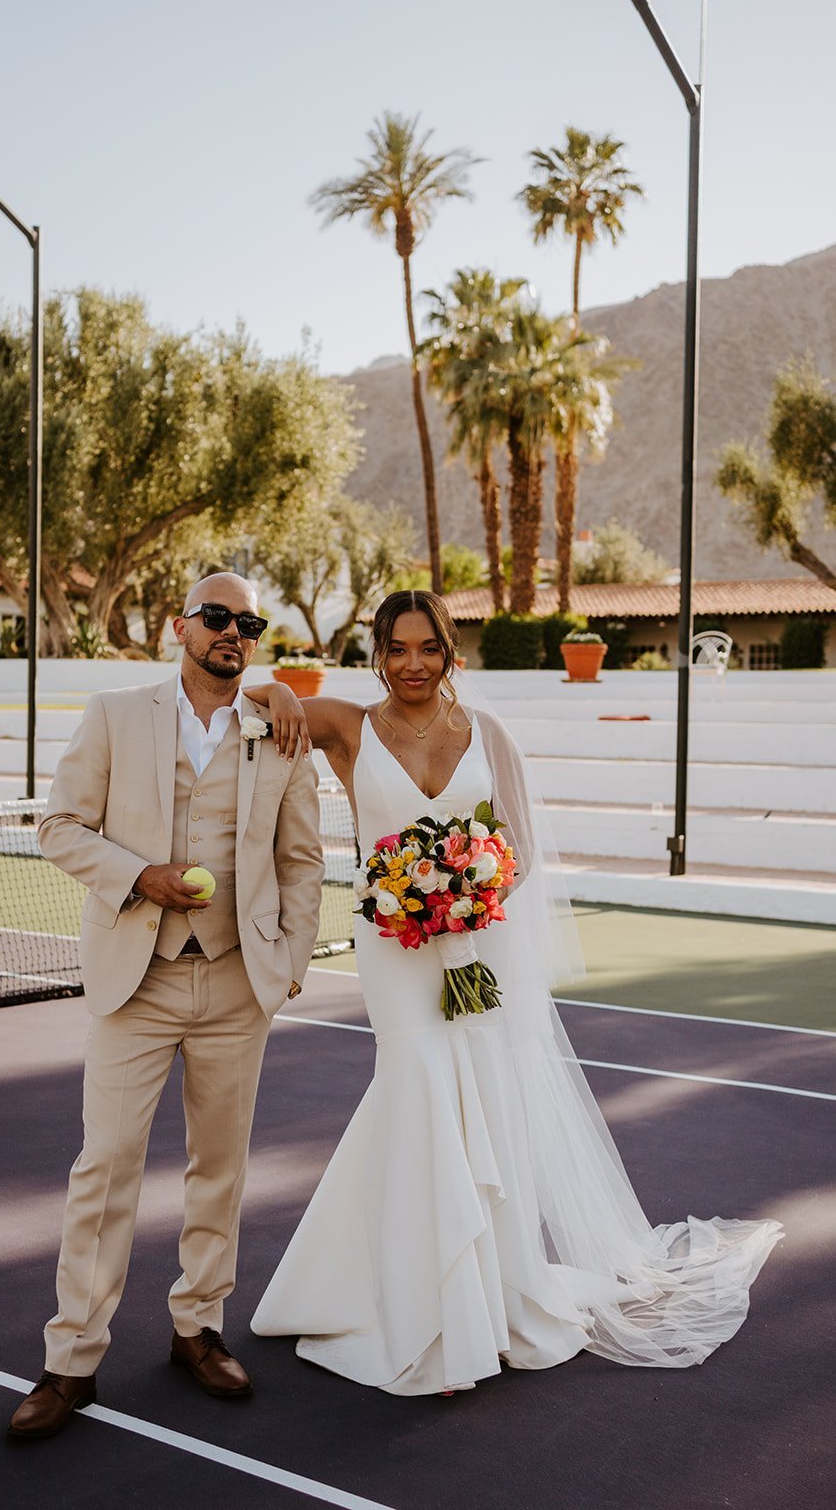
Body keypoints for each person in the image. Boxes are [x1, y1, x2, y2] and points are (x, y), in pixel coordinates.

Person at [247, 590, 781, 1396]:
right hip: (393, 949)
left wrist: (463, 898)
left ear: (449, 651)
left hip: (478, 945)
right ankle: (417, 1305)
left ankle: (489, 1298)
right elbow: (254, 694)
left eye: (427, 647)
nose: (412, 664)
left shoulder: (486, 735)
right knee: (415, 1088)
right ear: (378, 654)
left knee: (483, 1104)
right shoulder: (349, 728)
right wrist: (283, 693)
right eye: (396, 649)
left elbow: (520, 851)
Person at [8, 572, 324, 1439]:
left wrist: (287, 963)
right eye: (216, 617)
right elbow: (59, 825)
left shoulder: (277, 729)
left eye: (247, 623)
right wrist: (136, 877)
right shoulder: (116, 713)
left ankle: (198, 1328)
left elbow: (302, 861)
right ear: (178, 626)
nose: (232, 632)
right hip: (133, 982)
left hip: (236, 983)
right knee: (104, 1169)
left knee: (219, 1167)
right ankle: (71, 1360)